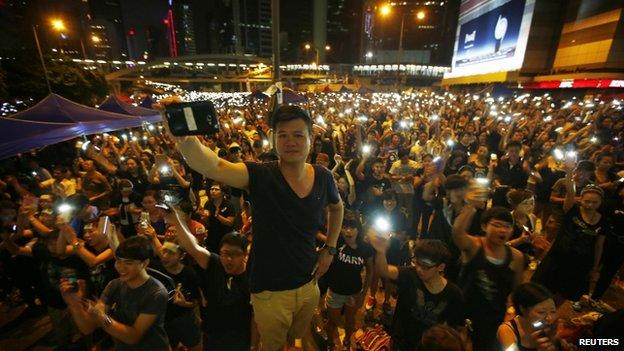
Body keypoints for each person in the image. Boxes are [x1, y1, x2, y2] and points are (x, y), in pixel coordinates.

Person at [169, 104, 344, 350]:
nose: (290, 141)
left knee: (297, 333)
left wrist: (330, 248)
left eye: (297, 135)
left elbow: (337, 207)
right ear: (274, 139)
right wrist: (185, 139)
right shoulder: (260, 175)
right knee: (273, 344)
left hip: (309, 283)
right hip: (270, 291)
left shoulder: (323, 176)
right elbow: (214, 166)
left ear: (311, 138)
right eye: (282, 135)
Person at [166, 208, 256, 351]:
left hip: (239, 338)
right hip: (212, 334)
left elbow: (254, 316)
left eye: (235, 254)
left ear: (245, 255)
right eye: (225, 253)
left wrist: (253, 345)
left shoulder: (252, 277)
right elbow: (193, 247)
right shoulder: (215, 263)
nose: (228, 259)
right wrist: (176, 221)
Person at [60, 235, 170, 351]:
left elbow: (133, 337)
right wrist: (74, 304)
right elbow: (88, 327)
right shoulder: (115, 285)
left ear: (144, 263)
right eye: (118, 261)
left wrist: (102, 318)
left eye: (128, 263)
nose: (120, 267)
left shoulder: (156, 293)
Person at [453, 198, 525, 351]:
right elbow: (457, 233)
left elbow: (516, 291)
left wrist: (511, 312)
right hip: (464, 315)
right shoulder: (474, 246)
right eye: (497, 225)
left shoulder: (516, 257)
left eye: (507, 226)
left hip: (495, 318)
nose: (502, 230)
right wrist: (471, 206)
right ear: (484, 226)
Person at [371, 237, 464, 351]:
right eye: (417, 263)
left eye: (425, 267)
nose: (419, 269)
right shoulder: (410, 275)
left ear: (441, 267)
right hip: (399, 343)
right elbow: (383, 270)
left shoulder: (453, 294)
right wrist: (380, 252)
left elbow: (456, 329)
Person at [532, 167, 607, 306]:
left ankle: (550, 315)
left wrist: (595, 268)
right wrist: (569, 172)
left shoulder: (602, 220)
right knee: (542, 290)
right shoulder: (572, 210)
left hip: (579, 265)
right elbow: (570, 193)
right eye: (587, 201)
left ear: (600, 203)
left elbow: (598, 245)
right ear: (581, 200)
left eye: (594, 202)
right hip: (557, 258)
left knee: (563, 294)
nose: (590, 205)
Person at [324, 210, 374, 350]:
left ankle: (346, 340)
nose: (348, 231)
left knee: (350, 320)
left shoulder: (365, 248)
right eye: (345, 227)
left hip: (354, 292)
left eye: (352, 227)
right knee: (332, 321)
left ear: (359, 229)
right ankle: (329, 343)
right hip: (335, 290)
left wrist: (363, 293)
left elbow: (370, 271)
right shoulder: (337, 241)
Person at [498, 283, 576, 351]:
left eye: (553, 311)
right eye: (541, 312)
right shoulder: (506, 331)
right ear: (523, 309)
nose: (550, 318)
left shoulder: (548, 327)